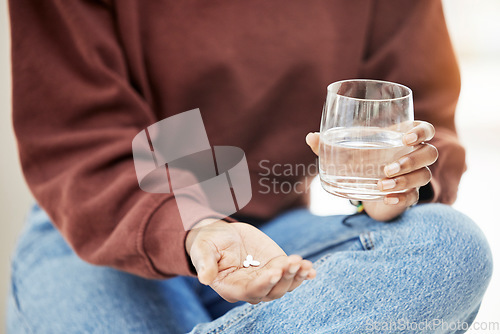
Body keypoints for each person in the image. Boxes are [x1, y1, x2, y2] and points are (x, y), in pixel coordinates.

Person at [7, 0, 492, 333]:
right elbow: (77, 131)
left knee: (448, 247)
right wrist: (195, 227)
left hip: (273, 237)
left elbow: (409, 106)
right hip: (107, 227)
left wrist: (390, 186)